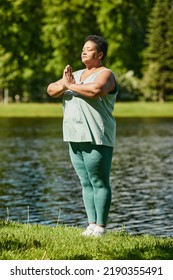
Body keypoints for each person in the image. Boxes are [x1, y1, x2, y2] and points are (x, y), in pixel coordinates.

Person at [47, 35, 118, 236]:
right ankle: (91, 225)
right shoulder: (75, 75)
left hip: (97, 135)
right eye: (83, 49)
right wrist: (66, 84)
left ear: (100, 54)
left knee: (99, 181)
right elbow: (51, 89)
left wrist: (69, 86)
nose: (84, 51)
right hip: (74, 136)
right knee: (85, 182)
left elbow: (96, 90)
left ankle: (101, 228)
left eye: (89, 49)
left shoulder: (106, 74)